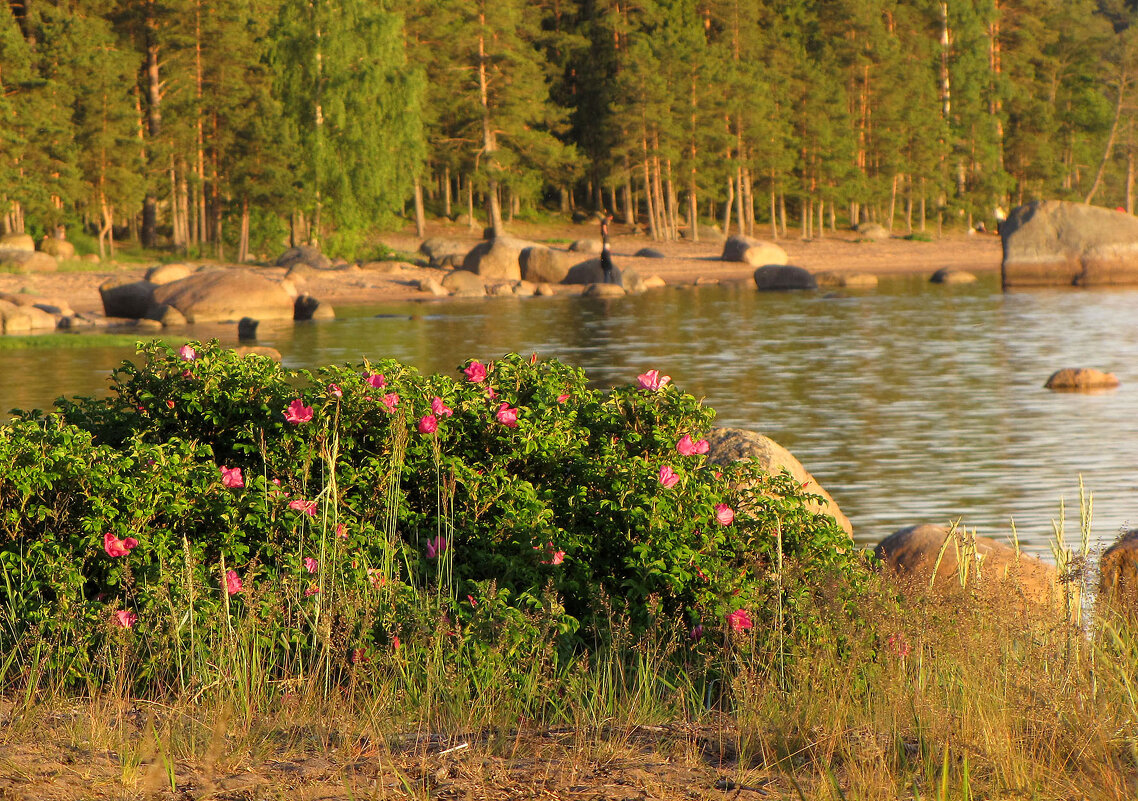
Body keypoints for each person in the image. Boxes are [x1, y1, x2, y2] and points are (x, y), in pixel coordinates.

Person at [599, 213, 615, 284]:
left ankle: (608, 281)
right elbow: (604, 227)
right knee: (608, 271)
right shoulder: (605, 221)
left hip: (604, 258)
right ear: (610, 216)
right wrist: (606, 233)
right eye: (612, 217)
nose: (612, 219)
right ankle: (608, 282)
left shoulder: (604, 220)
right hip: (605, 236)